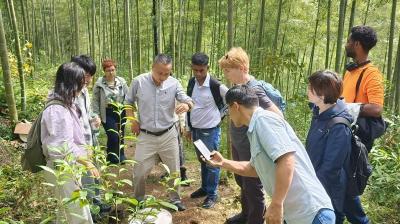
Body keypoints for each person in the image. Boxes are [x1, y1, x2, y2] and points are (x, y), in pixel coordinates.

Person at [205, 85, 335, 224]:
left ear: (236, 106)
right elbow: (254, 169)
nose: (229, 115)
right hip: (298, 215)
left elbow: (286, 160)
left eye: (228, 109)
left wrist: (276, 204)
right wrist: (223, 162)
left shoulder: (264, 120)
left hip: (312, 214)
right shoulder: (254, 128)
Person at [218, 47, 282, 224]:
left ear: (242, 68)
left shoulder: (254, 89)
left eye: (228, 70)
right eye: (224, 70)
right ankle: (246, 214)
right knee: (242, 182)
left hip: (250, 146)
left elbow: (277, 115)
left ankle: (255, 219)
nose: (226, 74)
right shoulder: (238, 87)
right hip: (239, 143)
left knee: (253, 186)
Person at [125, 54, 194, 211]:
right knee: (139, 170)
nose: (162, 77)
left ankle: (175, 199)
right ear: (152, 67)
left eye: (167, 73)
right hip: (146, 135)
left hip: (168, 134)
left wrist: (187, 105)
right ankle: (138, 200)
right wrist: (132, 120)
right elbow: (128, 102)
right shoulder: (139, 81)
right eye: (159, 73)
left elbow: (186, 98)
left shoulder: (174, 83)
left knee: (174, 170)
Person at [41, 62, 100, 224]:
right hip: (62, 170)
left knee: (67, 212)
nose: (85, 83)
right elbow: (61, 146)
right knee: (77, 213)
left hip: (69, 168)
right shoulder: (57, 110)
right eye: (81, 80)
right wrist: (87, 162)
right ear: (71, 82)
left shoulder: (67, 103)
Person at [342, 25, 384, 224]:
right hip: (342, 134)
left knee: (347, 186)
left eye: (349, 41)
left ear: (357, 44)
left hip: (356, 139)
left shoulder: (371, 73)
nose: (347, 44)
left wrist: (347, 107)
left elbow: (376, 109)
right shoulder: (351, 72)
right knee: (339, 183)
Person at [306, 70, 353, 223]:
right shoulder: (318, 111)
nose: (307, 90)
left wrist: (310, 189)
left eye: (311, 88)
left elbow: (331, 167)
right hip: (314, 181)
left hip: (328, 190)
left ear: (322, 95)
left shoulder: (339, 126)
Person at [185, 52, 229, 209]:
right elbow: (188, 106)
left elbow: (230, 102)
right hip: (196, 129)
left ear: (207, 68)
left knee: (212, 162)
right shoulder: (191, 83)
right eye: (195, 70)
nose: (198, 74)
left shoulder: (216, 86)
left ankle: (213, 194)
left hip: (210, 131)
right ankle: (205, 188)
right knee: (203, 160)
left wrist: (220, 116)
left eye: (201, 70)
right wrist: (188, 127)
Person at [71, 55, 111, 218]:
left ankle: (97, 201)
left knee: (94, 175)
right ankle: (91, 212)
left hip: (90, 141)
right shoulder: (68, 94)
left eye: (91, 75)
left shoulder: (85, 91)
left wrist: (94, 117)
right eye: (86, 75)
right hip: (77, 146)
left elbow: (87, 113)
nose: (88, 79)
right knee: (85, 178)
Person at [92, 59, 129, 164]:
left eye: (113, 70)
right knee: (113, 135)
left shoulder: (121, 81)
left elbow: (129, 95)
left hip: (121, 111)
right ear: (104, 71)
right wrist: (96, 115)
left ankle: (121, 155)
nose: (111, 72)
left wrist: (131, 107)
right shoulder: (99, 84)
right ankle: (111, 157)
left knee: (120, 134)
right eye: (108, 70)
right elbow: (95, 101)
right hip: (107, 113)